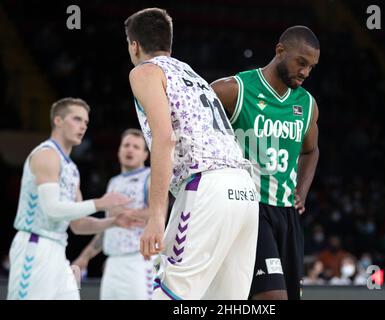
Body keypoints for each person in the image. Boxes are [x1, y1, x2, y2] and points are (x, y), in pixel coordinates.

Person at [125, 8, 259, 300]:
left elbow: (164, 138)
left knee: (170, 295)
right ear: (168, 43)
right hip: (246, 191)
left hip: (207, 186)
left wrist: (156, 215)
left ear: (134, 45)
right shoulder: (192, 74)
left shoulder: (145, 72)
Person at [211, 26, 320, 299]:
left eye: (312, 67)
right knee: (272, 297)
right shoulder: (235, 89)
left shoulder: (306, 104)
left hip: (288, 214)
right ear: (280, 51)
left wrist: (301, 192)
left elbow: (311, 151)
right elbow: (190, 119)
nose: (306, 72)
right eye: (301, 63)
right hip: (249, 208)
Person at [7, 98, 134, 300]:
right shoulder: (46, 155)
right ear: (58, 120)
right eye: (77, 119)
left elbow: (78, 224)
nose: (83, 126)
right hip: (35, 245)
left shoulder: (72, 169)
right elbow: (52, 209)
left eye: (85, 122)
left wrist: (113, 222)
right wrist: (100, 203)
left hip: (58, 250)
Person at [73, 128, 155, 300]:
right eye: (126, 145)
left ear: (145, 155)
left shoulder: (150, 177)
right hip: (112, 262)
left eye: (136, 147)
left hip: (139, 261)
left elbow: (158, 213)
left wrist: (127, 214)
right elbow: (107, 227)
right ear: (119, 151)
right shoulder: (113, 183)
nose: (130, 149)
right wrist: (84, 257)